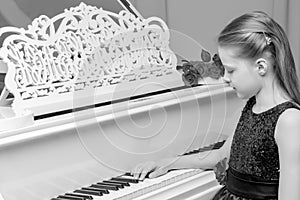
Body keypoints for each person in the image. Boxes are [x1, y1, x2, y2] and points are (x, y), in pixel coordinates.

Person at [130, 11, 300, 200]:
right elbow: (220, 155)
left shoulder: (289, 120)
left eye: (231, 70)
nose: (225, 78)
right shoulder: (252, 106)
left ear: (261, 67)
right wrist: (167, 162)